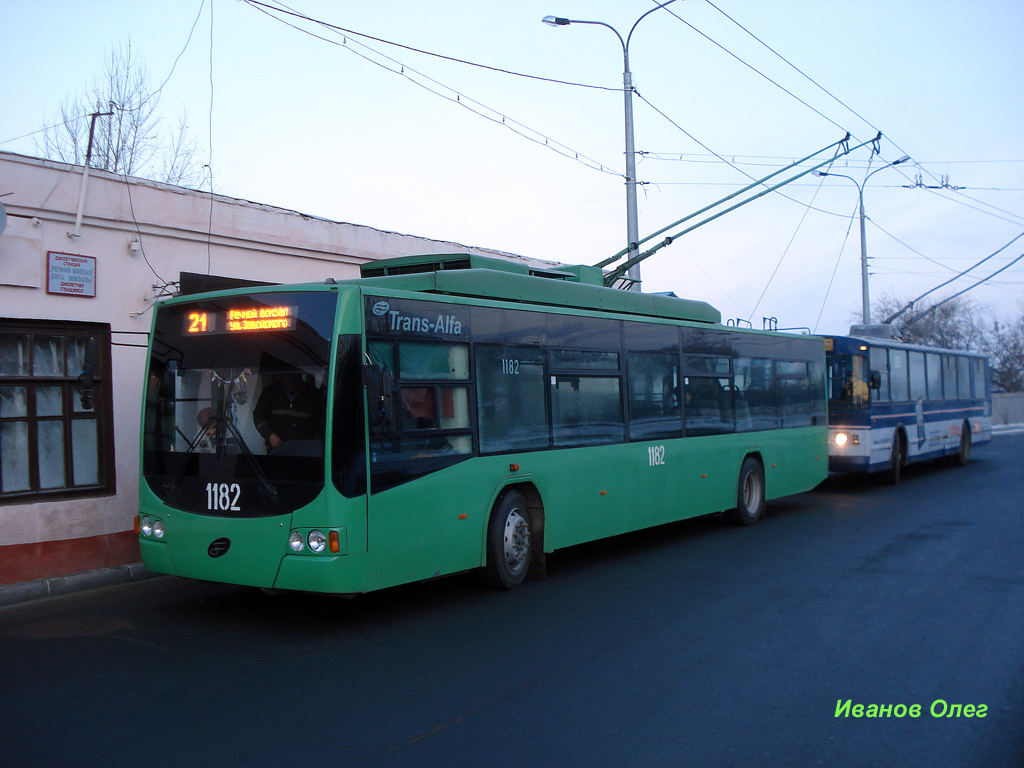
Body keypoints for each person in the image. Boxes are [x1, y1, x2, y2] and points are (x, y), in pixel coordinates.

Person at [252, 371, 323, 452]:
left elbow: (322, 421)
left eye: (293, 382)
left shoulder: (314, 395)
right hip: (277, 449)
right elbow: (258, 416)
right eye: (286, 382)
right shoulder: (270, 392)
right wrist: (270, 434)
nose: (289, 385)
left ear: (299, 377)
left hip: (305, 449)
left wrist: (317, 441)